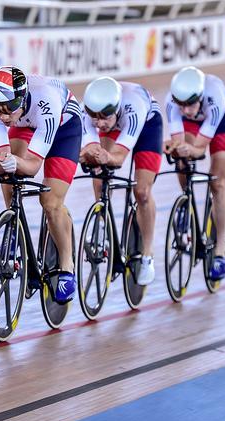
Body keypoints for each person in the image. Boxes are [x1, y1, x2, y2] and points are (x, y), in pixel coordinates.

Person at [0, 66, 83, 304]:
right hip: (26, 124)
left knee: (51, 202)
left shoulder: (47, 102)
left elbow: (33, 166)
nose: (3, 117)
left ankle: (67, 265)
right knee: (7, 167)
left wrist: (13, 162)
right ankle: (14, 226)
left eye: (8, 109)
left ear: (22, 98)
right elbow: (3, 158)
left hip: (64, 127)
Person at [80, 76, 163, 285]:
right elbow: (90, 148)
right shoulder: (87, 112)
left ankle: (147, 255)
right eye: (94, 118)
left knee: (142, 192)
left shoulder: (133, 108)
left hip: (147, 126)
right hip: (117, 125)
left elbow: (117, 158)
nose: (99, 123)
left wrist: (105, 157)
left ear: (116, 108)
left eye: (104, 117)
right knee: (100, 178)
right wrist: (88, 155)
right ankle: (102, 225)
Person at [164, 66, 225, 280]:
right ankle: (186, 203)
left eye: (190, 104)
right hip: (194, 125)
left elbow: (199, 148)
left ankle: (220, 249)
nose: (186, 109)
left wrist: (191, 150)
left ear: (200, 96)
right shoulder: (173, 102)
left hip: (223, 122)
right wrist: (174, 147)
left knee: (218, 183)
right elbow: (179, 143)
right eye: (182, 105)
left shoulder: (214, 98)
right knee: (181, 157)